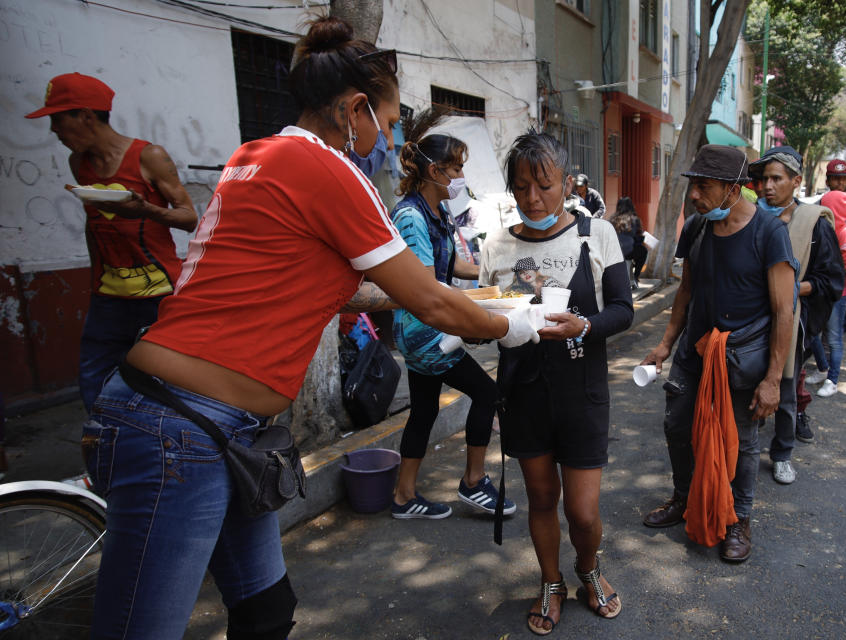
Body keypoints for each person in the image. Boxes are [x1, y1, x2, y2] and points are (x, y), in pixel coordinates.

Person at [78, 17, 542, 639]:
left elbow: (336, 284)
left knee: (265, 612)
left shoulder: (257, 155)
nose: (393, 136)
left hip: (218, 431)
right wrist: (511, 325)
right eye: (392, 118)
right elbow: (429, 302)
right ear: (356, 111)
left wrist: (484, 310)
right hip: (180, 428)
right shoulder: (329, 170)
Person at [480, 132, 632, 634]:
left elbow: (621, 310)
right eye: (520, 188)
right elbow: (489, 311)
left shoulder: (595, 234)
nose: (532, 198)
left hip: (581, 391)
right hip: (523, 391)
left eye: (543, 186)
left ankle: (587, 568)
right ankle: (551, 582)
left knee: (582, 511)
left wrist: (583, 325)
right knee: (541, 499)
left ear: (566, 183)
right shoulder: (497, 245)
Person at [641, 144, 795, 563]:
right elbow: (686, 291)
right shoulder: (696, 227)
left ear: (733, 189)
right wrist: (665, 343)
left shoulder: (769, 232)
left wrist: (772, 380)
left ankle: (738, 520)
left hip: (743, 357)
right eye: (693, 185)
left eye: (703, 187)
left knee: (741, 442)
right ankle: (684, 499)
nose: (694, 195)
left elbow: (785, 311)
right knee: (677, 426)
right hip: (694, 350)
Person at [25, 73, 197, 413]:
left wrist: (144, 209)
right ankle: (104, 446)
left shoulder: (148, 156)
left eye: (58, 120)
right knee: (95, 377)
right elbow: (94, 225)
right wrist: (95, 283)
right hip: (108, 296)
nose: (54, 132)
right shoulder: (79, 164)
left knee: (169, 380)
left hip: (158, 291)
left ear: (86, 116)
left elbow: (189, 217)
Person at [388, 133, 515, 519]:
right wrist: (477, 317)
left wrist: (495, 274)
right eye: (457, 167)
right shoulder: (410, 217)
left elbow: (454, 267)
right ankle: (474, 482)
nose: (461, 175)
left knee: (424, 410)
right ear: (435, 170)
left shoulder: (438, 212)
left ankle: (403, 496)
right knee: (488, 393)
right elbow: (426, 287)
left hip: (429, 324)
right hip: (424, 331)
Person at [748, 146, 843, 482]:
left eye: (776, 178)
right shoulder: (751, 218)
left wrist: (792, 289)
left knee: (784, 388)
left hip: (790, 318)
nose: (768, 186)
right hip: (750, 319)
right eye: (763, 179)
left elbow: (831, 279)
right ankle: (746, 445)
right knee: (745, 384)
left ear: (796, 181)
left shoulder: (814, 223)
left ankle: (782, 452)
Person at [816, 190, 846, 398]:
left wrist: (822, 270)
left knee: (834, 340)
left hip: (838, 294)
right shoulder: (824, 228)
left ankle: (832, 380)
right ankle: (822, 369)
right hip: (822, 292)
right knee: (811, 335)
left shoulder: (845, 232)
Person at [611, 196, 648, 287]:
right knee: (643, 251)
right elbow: (637, 238)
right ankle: (635, 276)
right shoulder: (634, 219)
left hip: (613, 252)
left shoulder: (612, 220)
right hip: (628, 252)